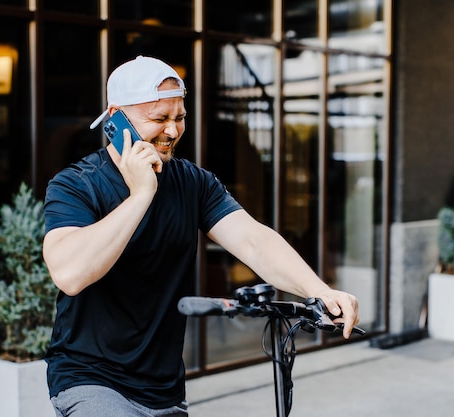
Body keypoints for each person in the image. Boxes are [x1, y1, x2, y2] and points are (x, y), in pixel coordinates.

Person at [42, 55, 360, 417]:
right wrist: (141, 195)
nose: (173, 131)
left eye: (179, 118)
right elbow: (69, 274)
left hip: (163, 386)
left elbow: (253, 240)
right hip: (90, 378)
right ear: (116, 117)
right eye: (159, 119)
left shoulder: (193, 182)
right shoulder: (75, 185)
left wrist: (318, 289)